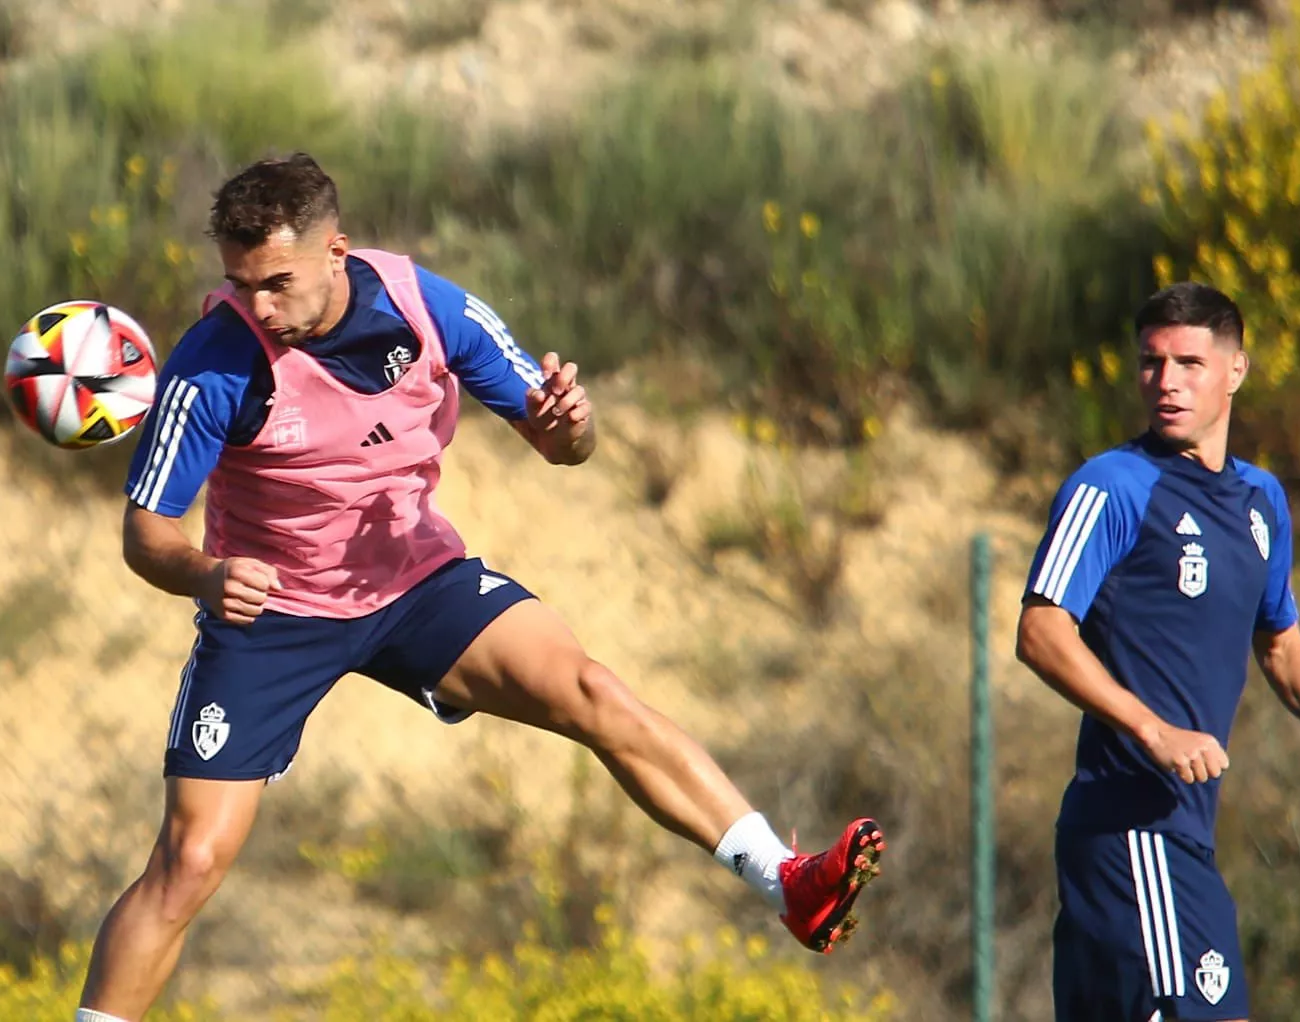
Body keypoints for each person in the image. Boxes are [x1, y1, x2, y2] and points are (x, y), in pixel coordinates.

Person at [74, 152, 885, 1022]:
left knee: (592, 690)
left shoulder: (430, 306)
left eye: (277, 282)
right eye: (241, 284)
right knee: (190, 863)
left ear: (336, 250)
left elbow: (565, 445)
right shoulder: (216, 362)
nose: (259, 306)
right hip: (274, 613)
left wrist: (572, 423)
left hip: (417, 580)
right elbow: (146, 534)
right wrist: (207, 575)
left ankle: (787, 881)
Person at [1014, 281, 1300, 1022]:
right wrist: (1151, 729)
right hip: (1133, 834)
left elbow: (1279, 643)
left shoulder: (1261, 501)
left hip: (1178, 833)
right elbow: (1040, 631)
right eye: (1152, 364)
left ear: (1235, 371)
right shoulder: (1113, 487)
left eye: (1189, 362)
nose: (1167, 383)